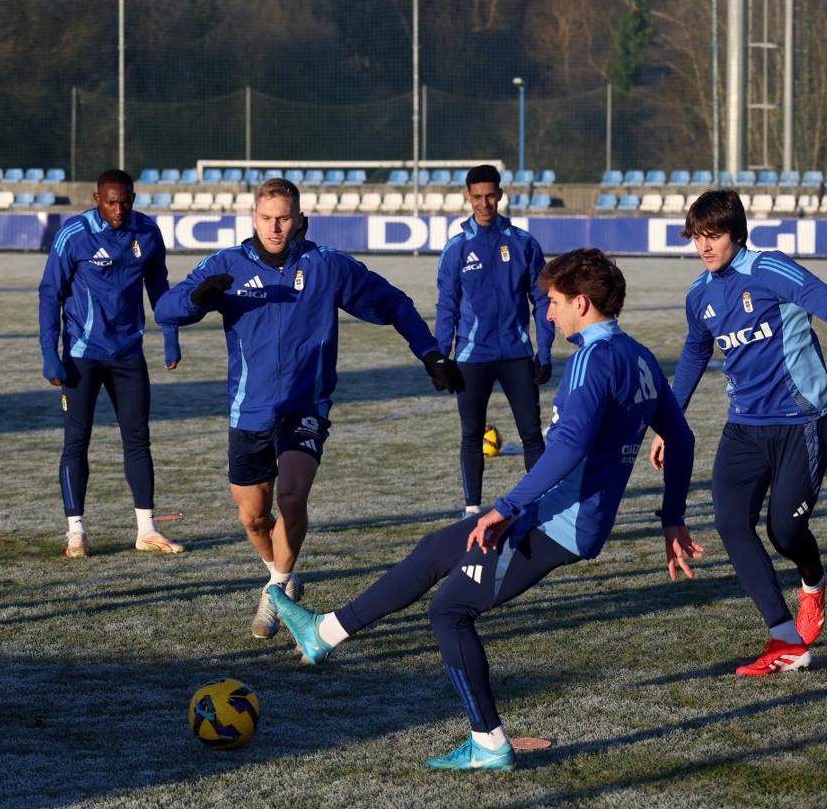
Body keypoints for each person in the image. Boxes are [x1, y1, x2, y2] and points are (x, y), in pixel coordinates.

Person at [270, 248, 702, 771]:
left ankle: (490, 743)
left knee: (449, 611)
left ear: (582, 303)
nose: (548, 313)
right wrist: (672, 517)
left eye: (554, 302)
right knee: (435, 549)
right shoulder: (639, 355)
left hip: (554, 523)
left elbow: (567, 449)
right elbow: (680, 437)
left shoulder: (594, 359)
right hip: (556, 515)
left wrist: (504, 507)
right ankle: (324, 633)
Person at [155, 177, 465, 639]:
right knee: (253, 516)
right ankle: (280, 572)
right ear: (253, 218)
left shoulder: (327, 267)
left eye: (284, 218)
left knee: (292, 496)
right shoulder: (226, 265)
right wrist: (195, 299)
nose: (275, 227)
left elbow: (394, 303)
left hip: (306, 405)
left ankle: (275, 592)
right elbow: (165, 310)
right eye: (266, 219)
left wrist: (430, 352)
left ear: (299, 219)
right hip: (249, 410)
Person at [649, 189, 827, 676]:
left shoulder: (769, 269)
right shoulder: (699, 295)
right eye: (697, 236)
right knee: (729, 522)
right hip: (744, 427)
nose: (704, 246)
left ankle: (813, 581)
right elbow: (695, 356)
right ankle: (786, 639)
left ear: (737, 233)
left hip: (802, 420)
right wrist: (668, 421)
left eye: (714, 235)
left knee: (785, 530)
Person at [38, 168, 183, 559]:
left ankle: (147, 530)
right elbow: (50, 293)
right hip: (82, 357)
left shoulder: (147, 233)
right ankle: (76, 533)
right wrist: (50, 354)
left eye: (126, 201)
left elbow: (159, 287)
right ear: (96, 198)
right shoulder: (74, 234)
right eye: (111, 202)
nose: (119, 210)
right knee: (76, 441)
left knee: (138, 440)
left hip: (129, 355)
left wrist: (169, 334)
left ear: (134, 198)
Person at [436, 164, 554, 515]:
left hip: (517, 355)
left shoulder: (522, 243)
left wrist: (544, 351)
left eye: (490, 196)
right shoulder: (456, 249)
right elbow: (447, 306)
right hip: (472, 358)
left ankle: (540, 506)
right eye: (477, 197)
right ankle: (471, 509)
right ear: (468, 198)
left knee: (532, 434)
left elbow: (543, 299)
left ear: (500, 195)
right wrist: (442, 357)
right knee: (471, 434)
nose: (484, 203)